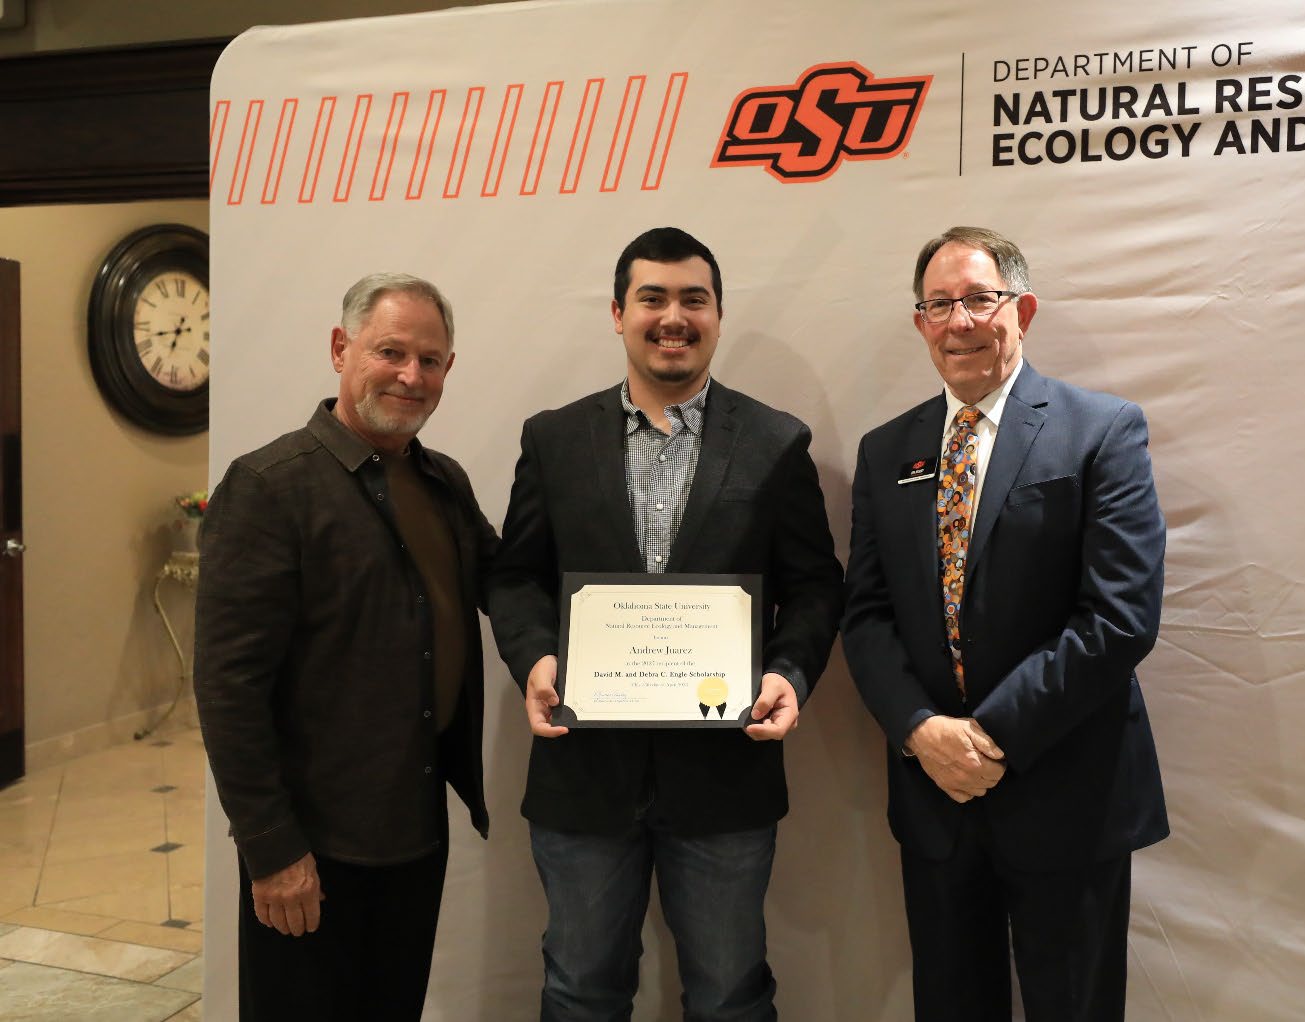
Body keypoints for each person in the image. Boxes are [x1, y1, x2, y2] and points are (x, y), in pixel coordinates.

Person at [488, 227, 844, 1021]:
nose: (673, 317)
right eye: (652, 298)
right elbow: (513, 577)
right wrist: (537, 659)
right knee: (580, 992)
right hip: (583, 775)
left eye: (694, 299)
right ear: (619, 313)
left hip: (725, 779)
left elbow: (816, 587)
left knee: (729, 997)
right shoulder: (553, 439)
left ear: (718, 315)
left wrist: (788, 673)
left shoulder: (776, 442)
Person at [842, 226, 1169, 1021]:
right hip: (936, 798)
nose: (960, 322)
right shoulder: (887, 451)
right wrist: (921, 731)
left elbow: (1120, 617)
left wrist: (988, 738)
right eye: (939, 304)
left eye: (979, 300)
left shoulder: (1101, 430)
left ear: (1021, 310)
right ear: (920, 322)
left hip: (1068, 792)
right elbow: (868, 615)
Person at [194, 273, 498, 1021]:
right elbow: (228, 686)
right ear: (341, 349)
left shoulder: (444, 483)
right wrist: (272, 849)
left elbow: (513, 581)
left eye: (430, 360)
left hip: (415, 830)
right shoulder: (268, 487)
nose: (411, 375)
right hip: (311, 848)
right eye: (390, 352)